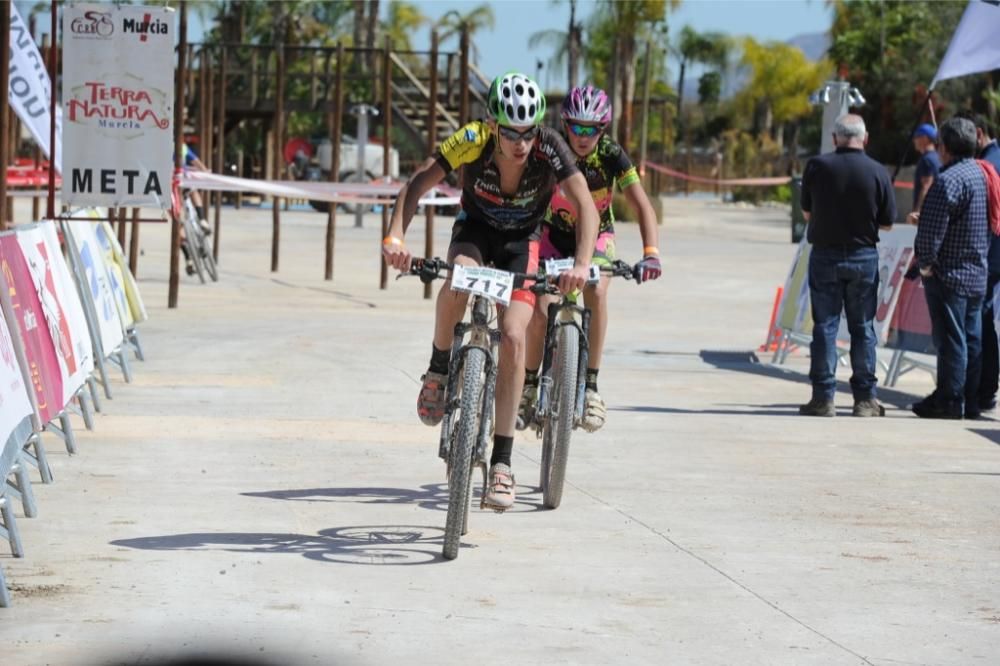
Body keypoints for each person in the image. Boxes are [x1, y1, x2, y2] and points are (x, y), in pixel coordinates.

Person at [382, 72, 600, 510]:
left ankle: (502, 463)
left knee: (516, 335)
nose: (521, 143)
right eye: (511, 133)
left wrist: (580, 264)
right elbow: (418, 183)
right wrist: (395, 240)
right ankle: (438, 370)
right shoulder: (471, 138)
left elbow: (587, 207)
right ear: (493, 126)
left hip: (523, 241)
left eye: (528, 132)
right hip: (475, 231)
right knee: (457, 279)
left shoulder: (550, 147)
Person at [517, 84, 661, 433]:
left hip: (598, 237)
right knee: (540, 308)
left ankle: (592, 387)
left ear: (604, 129)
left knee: (596, 292)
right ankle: (529, 386)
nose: (583, 136)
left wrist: (651, 252)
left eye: (592, 129)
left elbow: (642, 204)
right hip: (554, 235)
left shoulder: (611, 154)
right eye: (576, 127)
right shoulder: (551, 149)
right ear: (565, 124)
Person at [798, 113, 896, 417]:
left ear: (834, 138)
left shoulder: (817, 167)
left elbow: (806, 214)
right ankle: (865, 399)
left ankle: (823, 397)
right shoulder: (878, 171)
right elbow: (888, 223)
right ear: (865, 139)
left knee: (825, 327)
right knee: (863, 328)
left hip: (825, 255)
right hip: (863, 257)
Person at [912, 117, 990, 419]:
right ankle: (968, 399)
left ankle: (948, 399)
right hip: (976, 272)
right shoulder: (983, 175)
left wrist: (927, 265)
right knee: (971, 339)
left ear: (944, 147)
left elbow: (931, 233)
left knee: (950, 341)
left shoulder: (948, 180)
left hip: (950, 275)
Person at [958, 111, 1000, 412]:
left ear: (979, 133)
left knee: (980, 319)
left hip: (992, 253)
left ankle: (981, 389)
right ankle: (984, 388)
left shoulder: (989, 163)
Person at [906, 123, 941, 225]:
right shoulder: (938, 157)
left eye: (916, 137)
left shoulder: (926, 160)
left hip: (928, 215)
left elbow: (926, 187)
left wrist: (918, 213)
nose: (914, 140)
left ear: (925, 138)